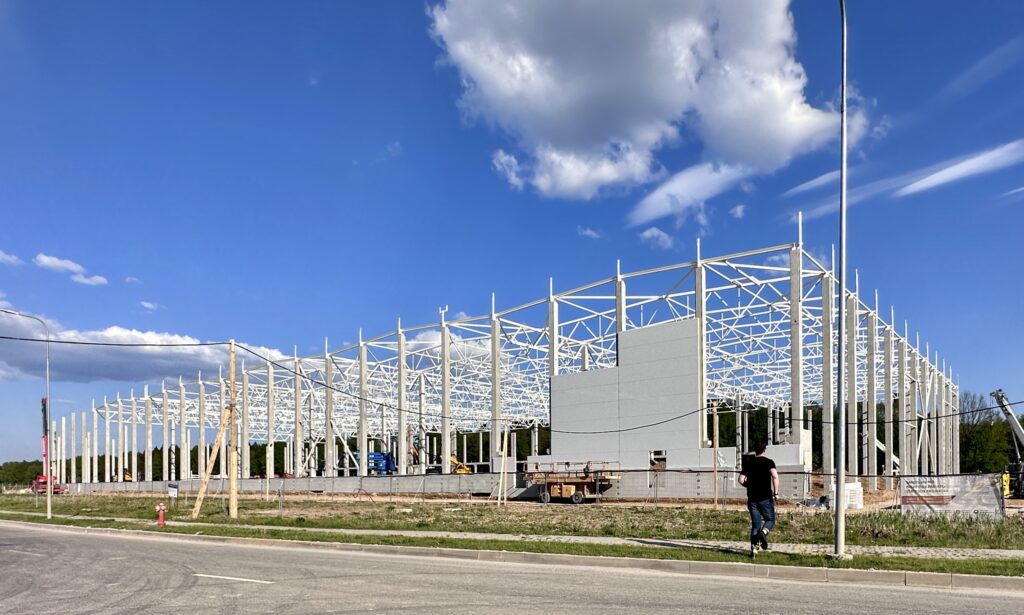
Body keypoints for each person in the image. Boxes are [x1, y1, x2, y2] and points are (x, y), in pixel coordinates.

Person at [738, 441, 779, 558]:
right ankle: (764, 532)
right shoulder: (769, 462)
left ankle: (754, 550)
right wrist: (776, 493)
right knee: (770, 520)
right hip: (765, 498)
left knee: (755, 525)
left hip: (752, 499)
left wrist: (749, 486)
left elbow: (740, 480)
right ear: (764, 450)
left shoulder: (749, 462)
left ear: (755, 450)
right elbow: (775, 476)